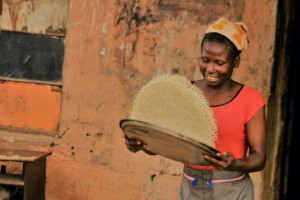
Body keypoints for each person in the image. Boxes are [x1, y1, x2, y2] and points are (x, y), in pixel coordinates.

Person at [124, 18, 266, 200]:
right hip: (190, 188)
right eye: (205, 60)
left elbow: (259, 157)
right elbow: (170, 142)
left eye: (219, 63)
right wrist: (142, 145)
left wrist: (234, 163)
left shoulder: (250, 100)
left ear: (235, 62)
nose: (210, 69)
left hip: (233, 191)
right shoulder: (185, 94)